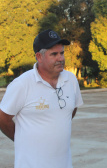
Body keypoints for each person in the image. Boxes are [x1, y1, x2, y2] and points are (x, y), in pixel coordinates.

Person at [0, 29, 83, 168]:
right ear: (39, 56)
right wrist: (22, 140)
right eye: (54, 54)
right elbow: (3, 118)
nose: (61, 58)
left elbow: (71, 110)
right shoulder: (22, 84)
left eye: (62, 53)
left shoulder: (71, 80)